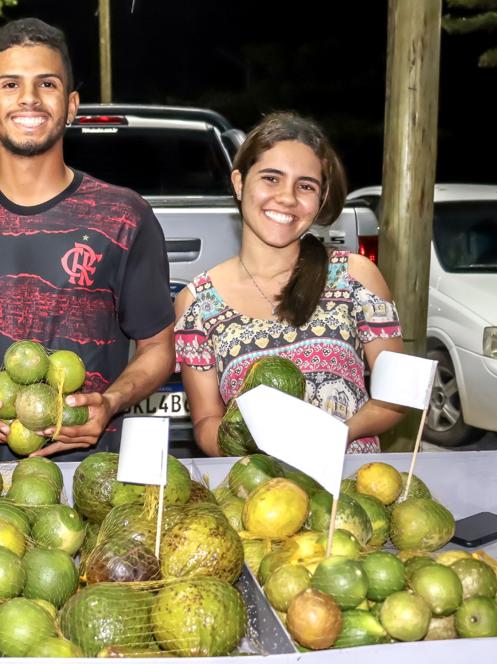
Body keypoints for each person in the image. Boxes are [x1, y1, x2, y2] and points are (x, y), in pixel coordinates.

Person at [0, 18, 175, 463]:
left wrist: (110, 402)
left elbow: (158, 349)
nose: (29, 98)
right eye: (11, 84)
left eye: (46, 84)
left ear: (71, 105)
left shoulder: (124, 215)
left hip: (90, 479)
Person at [174, 112, 406, 456]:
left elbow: (396, 397)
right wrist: (255, 453)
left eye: (306, 185)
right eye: (271, 178)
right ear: (239, 182)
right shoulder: (197, 304)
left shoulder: (355, 277)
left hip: (353, 493)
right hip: (262, 500)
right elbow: (207, 421)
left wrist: (336, 435)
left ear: (321, 198)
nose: (287, 197)